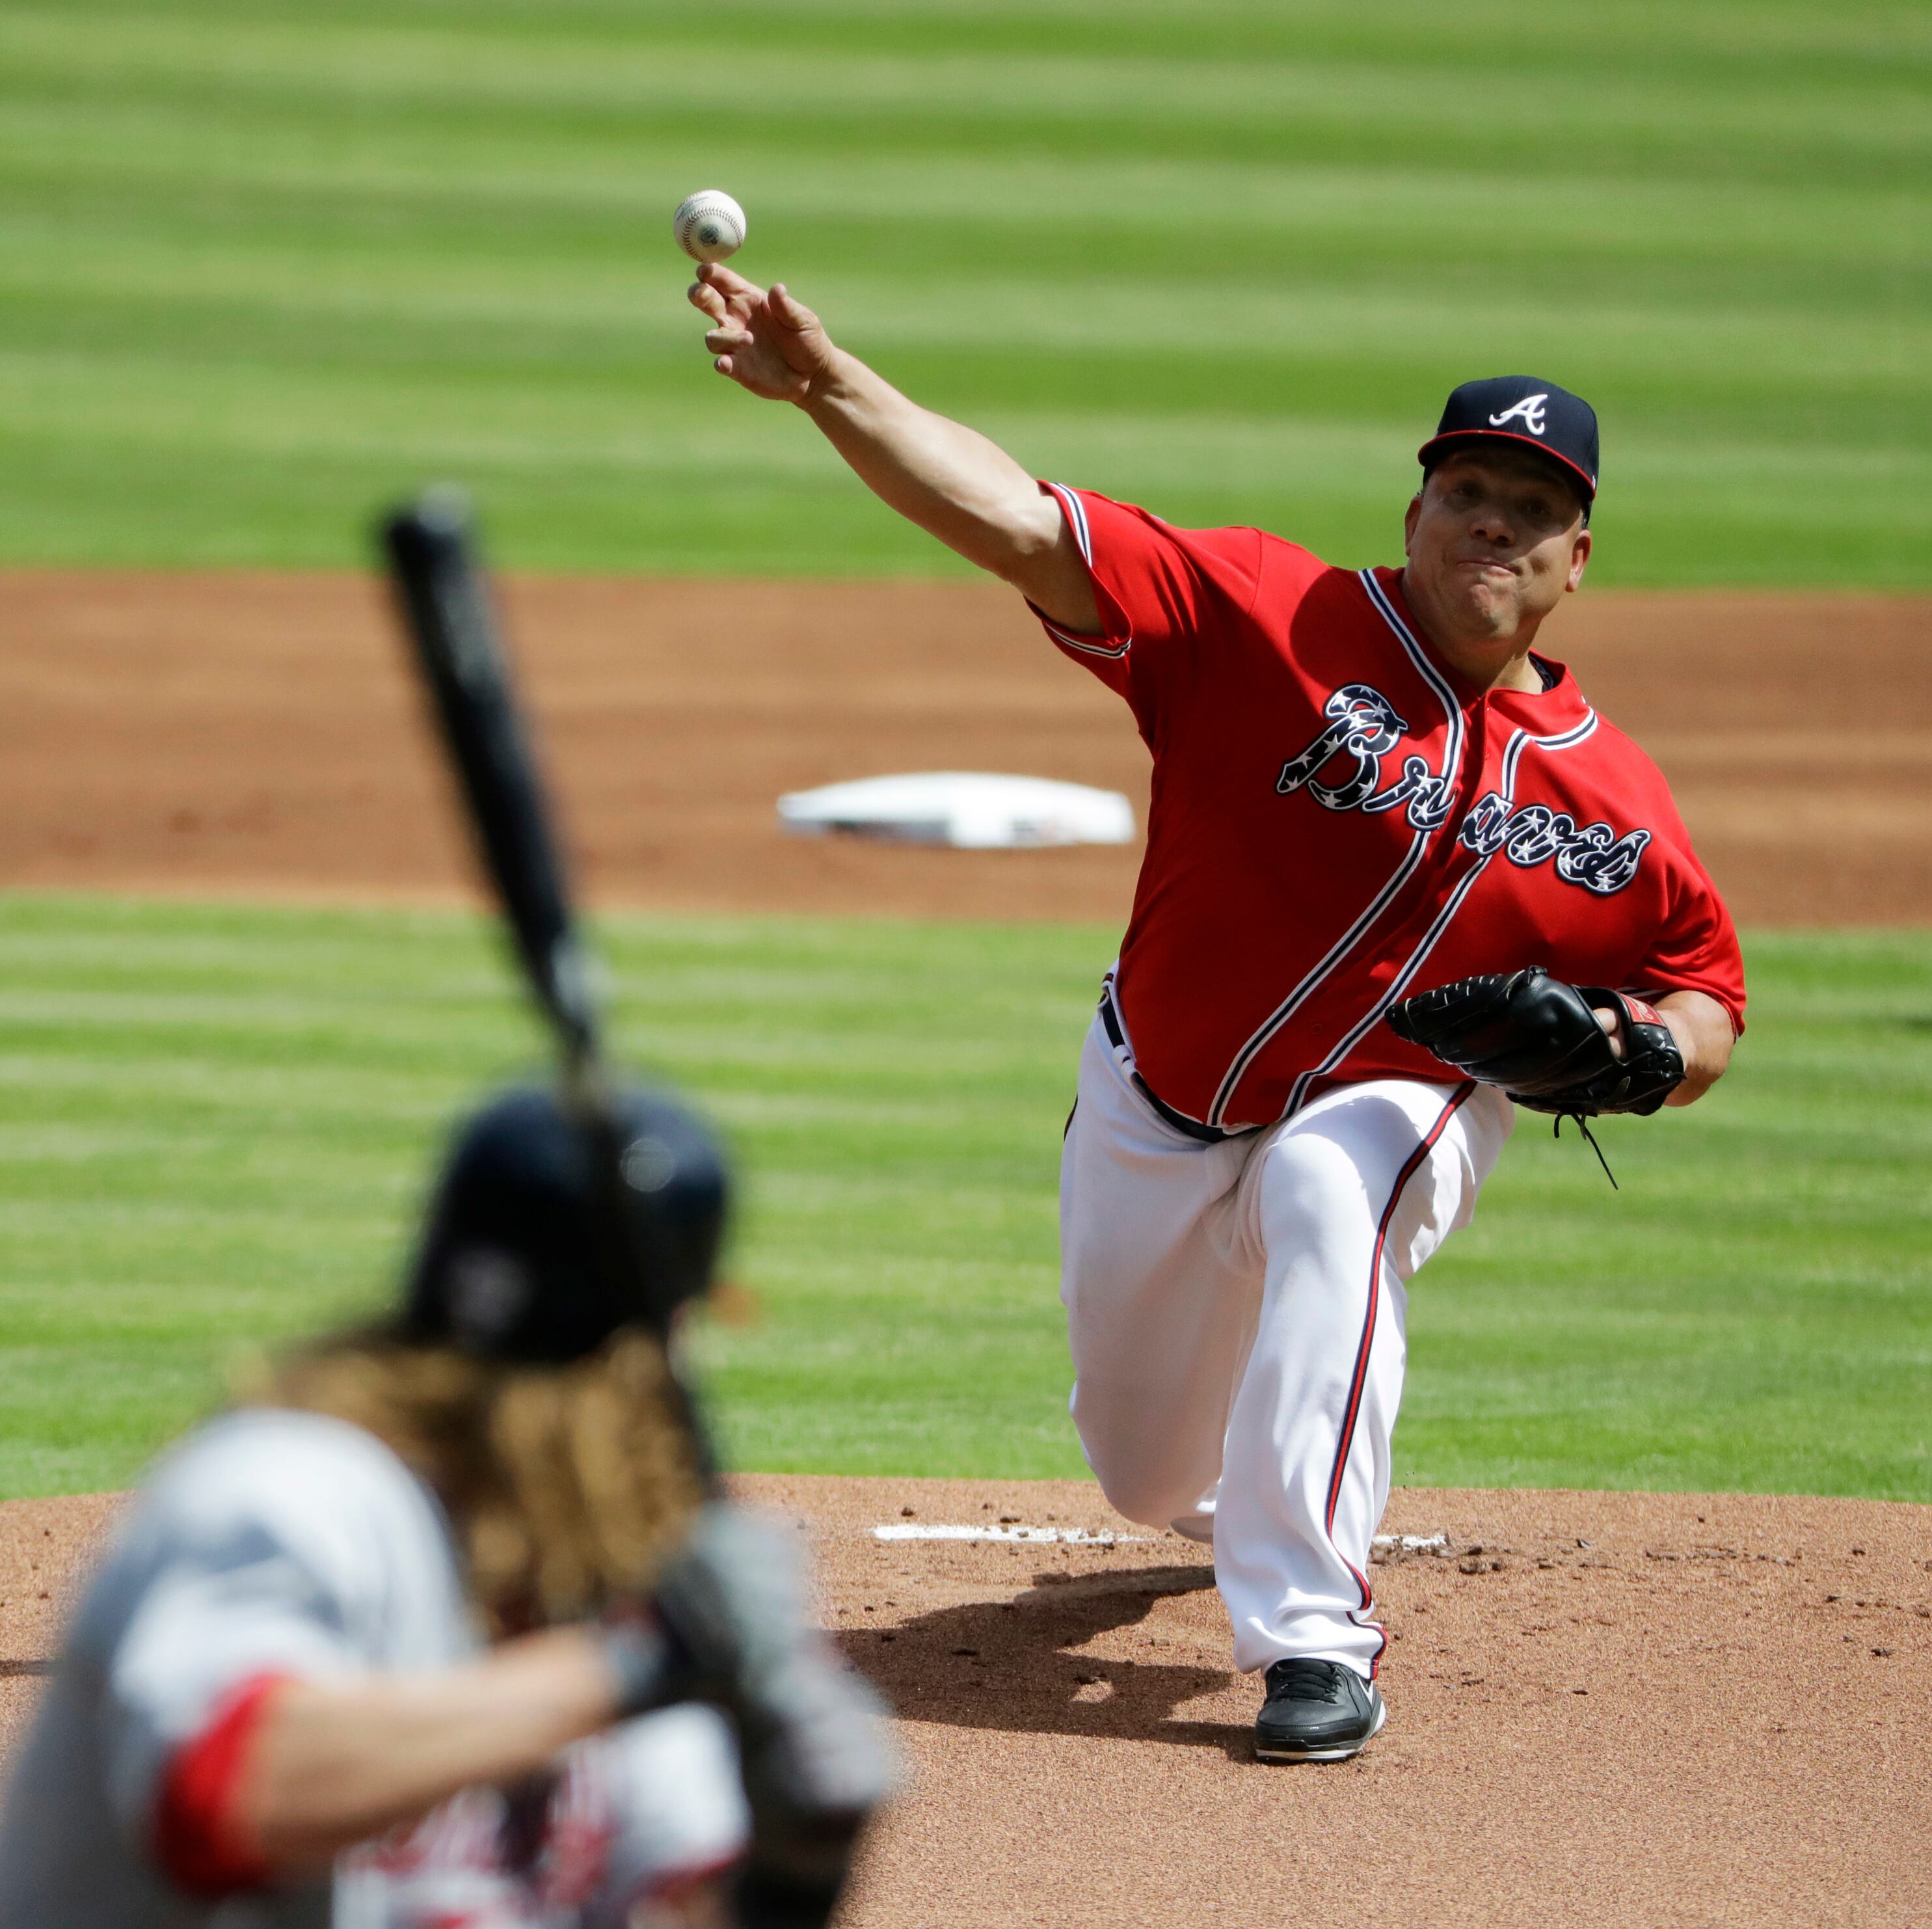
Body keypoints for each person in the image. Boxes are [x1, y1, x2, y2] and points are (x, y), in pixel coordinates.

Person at [688, 266, 1746, 1762]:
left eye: (1530, 504)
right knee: (1136, 1475)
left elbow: (1707, 994)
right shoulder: (1265, 614)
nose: (1493, 522)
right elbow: (1020, 523)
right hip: (1157, 1095)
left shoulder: (1611, 795)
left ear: (1578, 557)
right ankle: (1244, 1475)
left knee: (1332, 1180)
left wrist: (1644, 1056)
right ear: (1416, 517)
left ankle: (1316, 1642)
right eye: (1467, 490)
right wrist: (835, 388)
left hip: (1402, 1095)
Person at [0, 1083, 892, 1924]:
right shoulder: (295, 1493)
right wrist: (630, 1665)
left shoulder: (610, 1576)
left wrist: (789, 1880)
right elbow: (220, 1793)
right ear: (629, 1358)